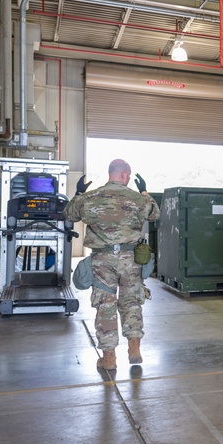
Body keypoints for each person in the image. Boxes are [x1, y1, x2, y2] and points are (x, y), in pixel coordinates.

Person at [64, 159, 160, 371]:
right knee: (131, 301)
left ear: (111, 174)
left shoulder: (91, 197)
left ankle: (109, 359)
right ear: (125, 176)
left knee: (105, 304)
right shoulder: (136, 198)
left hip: (102, 260)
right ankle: (134, 349)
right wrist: (144, 192)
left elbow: (69, 214)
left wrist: (79, 193)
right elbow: (155, 214)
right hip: (130, 259)